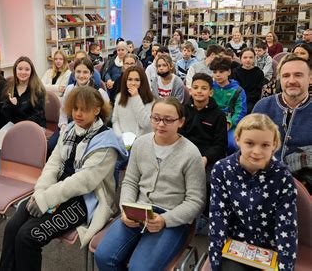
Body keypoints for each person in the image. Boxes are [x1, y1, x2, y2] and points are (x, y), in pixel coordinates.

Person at [0, 86, 127, 271]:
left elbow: (84, 182)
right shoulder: (69, 131)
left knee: (28, 237)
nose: (78, 114)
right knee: (12, 228)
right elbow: (52, 165)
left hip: (86, 199)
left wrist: (45, 199)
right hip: (57, 190)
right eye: (75, 109)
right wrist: (39, 192)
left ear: (97, 110)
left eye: (84, 109)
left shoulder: (106, 141)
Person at [95, 97, 206, 270]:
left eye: (168, 120)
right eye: (156, 118)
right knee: (103, 256)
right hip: (139, 210)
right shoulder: (141, 143)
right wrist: (127, 208)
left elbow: (196, 201)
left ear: (181, 122)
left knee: (140, 269)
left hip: (172, 216)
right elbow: (130, 181)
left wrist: (165, 220)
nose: (161, 124)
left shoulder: (191, 154)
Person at [208, 114, 297, 271]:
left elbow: (286, 226)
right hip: (235, 246)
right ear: (237, 140)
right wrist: (216, 262)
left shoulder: (283, 176)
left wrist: (285, 268)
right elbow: (218, 217)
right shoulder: (222, 170)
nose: (257, 151)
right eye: (249, 143)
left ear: (274, 145)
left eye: (265, 145)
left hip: (270, 250)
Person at [180, 73, 227, 220]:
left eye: (204, 88)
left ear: (211, 92)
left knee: (207, 182)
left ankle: (204, 216)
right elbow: (177, 136)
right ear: (190, 90)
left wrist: (206, 158)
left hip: (207, 156)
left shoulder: (218, 115)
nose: (199, 91)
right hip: (184, 152)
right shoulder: (183, 110)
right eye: (195, 87)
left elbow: (220, 145)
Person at [253, 55, 312, 163]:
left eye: (298, 75)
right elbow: (250, 144)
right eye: (286, 76)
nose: (291, 81)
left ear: (310, 78)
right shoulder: (263, 106)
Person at [48, 58, 110, 155]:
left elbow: (105, 117)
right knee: (51, 147)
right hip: (70, 125)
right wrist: (63, 125)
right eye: (78, 72)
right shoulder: (69, 89)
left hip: (90, 128)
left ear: (91, 74)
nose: (81, 75)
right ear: (74, 73)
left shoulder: (99, 93)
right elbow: (64, 110)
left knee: (76, 153)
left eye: (85, 72)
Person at [0, 57, 46, 169]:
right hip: (15, 122)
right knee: (0, 139)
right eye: (20, 69)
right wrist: (12, 107)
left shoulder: (38, 89)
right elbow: (6, 113)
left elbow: (37, 116)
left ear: (31, 71)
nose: (23, 72)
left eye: (27, 69)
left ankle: (19, 170)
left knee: (19, 140)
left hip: (34, 125)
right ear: (15, 70)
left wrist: (16, 107)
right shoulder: (10, 87)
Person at [210, 57, 247, 154]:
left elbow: (240, 112)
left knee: (232, 144)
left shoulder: (238, 90)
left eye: (221, 71)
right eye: (215, 72)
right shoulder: (210, 88)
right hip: (212, 120)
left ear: (229, 72)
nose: (217, 75)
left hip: (230, 122)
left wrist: (230, 123)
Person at [112, 66, 154, 138]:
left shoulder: (150, 99)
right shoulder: (119, 97)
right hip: (123, 140)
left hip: (141, 140)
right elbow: (115, 120)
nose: (133, 83)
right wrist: (120, 136)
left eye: (137, 80)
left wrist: (136, 97)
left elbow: (145, 123)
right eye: (130, 79)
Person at [232, 48, 265, 113]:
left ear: (254, 58)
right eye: (245, 57)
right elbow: (235, 88)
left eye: (251, 57)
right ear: (240, 58)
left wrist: (248, 99)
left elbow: (258, 90)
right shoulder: (235, 72)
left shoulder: (259, 72)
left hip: (252, 100)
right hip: (238, 99)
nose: (248, 60)